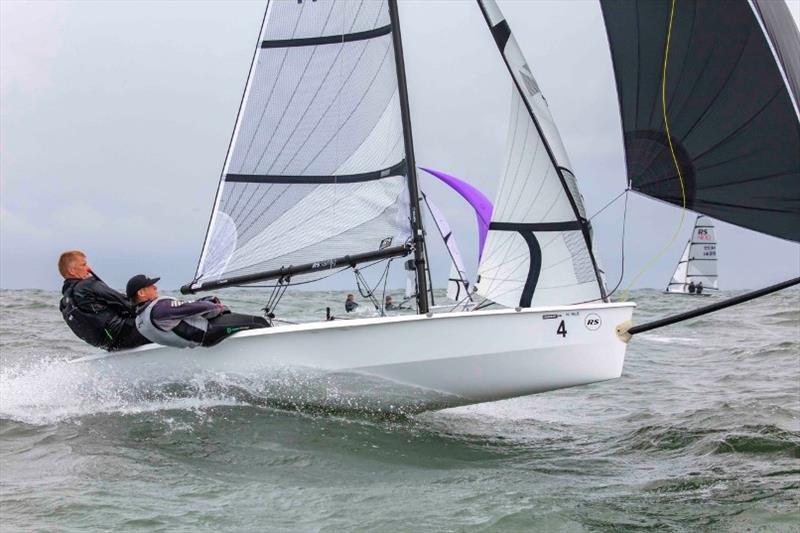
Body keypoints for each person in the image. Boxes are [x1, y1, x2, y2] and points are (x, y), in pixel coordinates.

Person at [128, 274, 270, 348]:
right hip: (210, 332)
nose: (155, 287)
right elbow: (194, 308)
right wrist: (216, 306)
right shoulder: (159, 309)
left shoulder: (140, 320)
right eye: (150, 285)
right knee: (259, 322)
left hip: (198, 341)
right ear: (141, 293)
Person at [58, 250, 150, 351]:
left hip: (109, 345)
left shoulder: (64, 303)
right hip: (127, 334)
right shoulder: (87, 285)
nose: (88, 268)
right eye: (83, 265)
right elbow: (127, 304)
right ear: (72, 271)